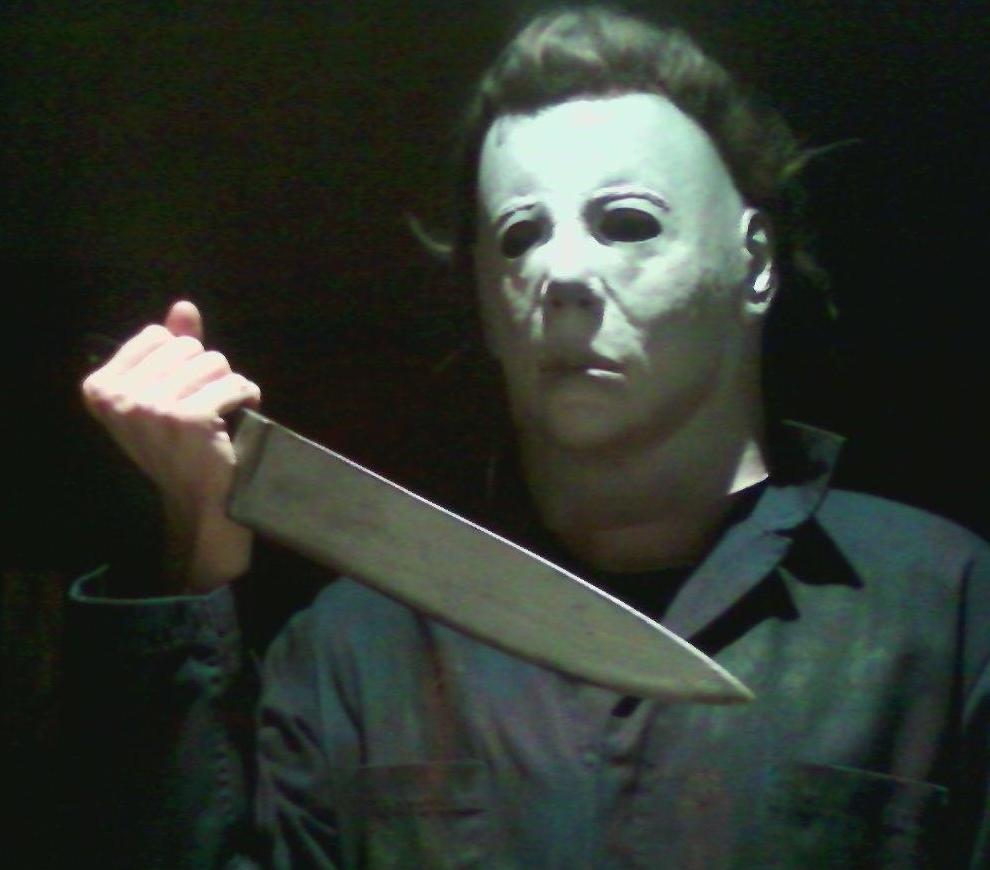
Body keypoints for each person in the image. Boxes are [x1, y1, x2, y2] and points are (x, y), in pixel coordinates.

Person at [70, 7, 989, 868]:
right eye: (519, 236)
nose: (561, 272)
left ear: (754, 263)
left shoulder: (948, 613)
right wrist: (191, 550)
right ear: (484, 296)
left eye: (627, 223)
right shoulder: (352, 654)